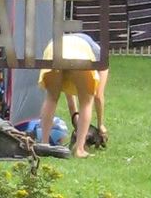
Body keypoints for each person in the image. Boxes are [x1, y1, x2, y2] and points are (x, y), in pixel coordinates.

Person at [37, 29, 108, 157]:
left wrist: (75, 116)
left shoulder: (77, 41)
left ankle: (44, 144)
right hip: (80, 52)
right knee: (87, 101)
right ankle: (79, 149)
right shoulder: (102, 56)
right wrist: (100, 125)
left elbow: (69, 96)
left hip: (54, 46)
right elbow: (98, 96)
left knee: (51, 98)